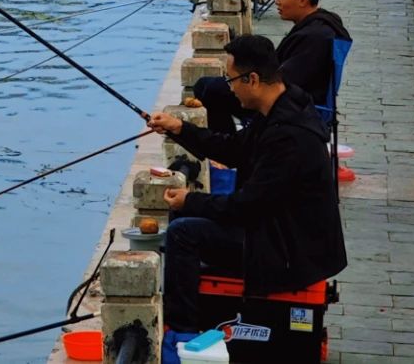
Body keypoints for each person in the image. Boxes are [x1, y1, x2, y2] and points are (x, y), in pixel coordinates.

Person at [149, 34, 347, 357]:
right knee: (186, 219)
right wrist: (178, 128)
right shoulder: (286, 104)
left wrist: (190, 200)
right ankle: (191, 318)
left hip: (291, 250)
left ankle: (181, 338)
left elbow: (244, 208)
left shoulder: (288, 137)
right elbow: (233, 148)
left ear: (252, 79)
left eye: (232, 80)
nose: (230, 88)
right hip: (286, 230)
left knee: (182, 234)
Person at [193, 0, 350, 131]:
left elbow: (282, 81)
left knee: (212, 90)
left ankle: (230, 150)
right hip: (289, 95)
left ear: (302, 0)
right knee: (205, 85)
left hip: (292, 106)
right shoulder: (316, 25)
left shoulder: (316, 37)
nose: (276, 1)